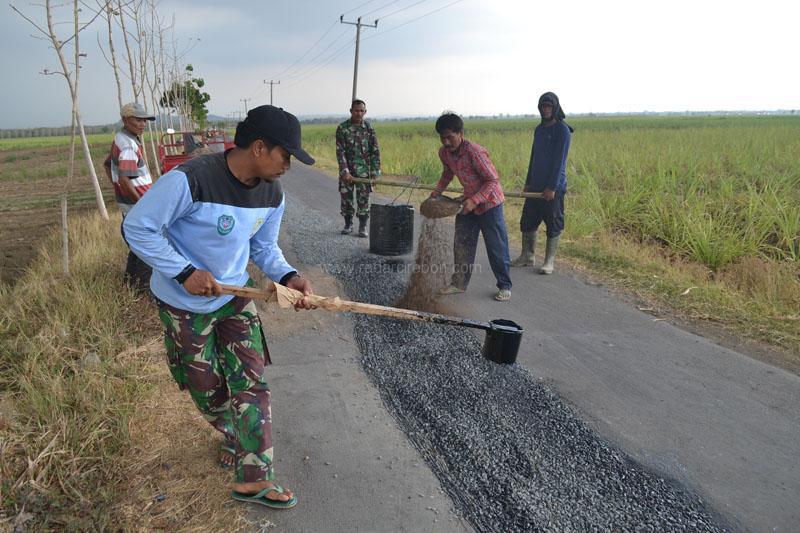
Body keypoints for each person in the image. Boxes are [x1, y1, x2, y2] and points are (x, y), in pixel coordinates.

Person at [123, 105, 316, 510]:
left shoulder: (271, 194)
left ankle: (254, 478)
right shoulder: (191, 180)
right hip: (183, 304)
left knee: (252, 382)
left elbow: (263, 248)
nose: (289, 166)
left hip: (236, 297)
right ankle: (232, 432)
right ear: (260, 148)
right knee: (207, 388)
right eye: (286, 155)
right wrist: (184, 272)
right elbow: (137, 226)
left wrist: (289, 277)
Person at [429, 112, 513, 302]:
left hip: (490, 203)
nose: (446, 142)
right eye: (442, 137)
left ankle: (504, 286)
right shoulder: (444, 153)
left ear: (461, 133)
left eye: (450, 136)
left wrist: (476, 200)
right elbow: (447, 173)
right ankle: (459, 283)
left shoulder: (474, 151)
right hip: (467, 202)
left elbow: (492, 180)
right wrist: (438, 191)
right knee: (462, 244)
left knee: (496, 246)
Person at [511, 92, 573, 274]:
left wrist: (552, 187)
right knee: (528, 221)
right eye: (543, 106)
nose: (545, 109)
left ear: (555, 108)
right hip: (536, 186)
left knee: (553, 224)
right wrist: (528, 182)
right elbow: (534, 157)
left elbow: (559, 161)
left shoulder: (562, 130)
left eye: (549, 106)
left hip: (554, 188)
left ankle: (549, 262)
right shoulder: (539, 130)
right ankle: (527, 256)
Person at [103, 102, 156, 293]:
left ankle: (129, 285)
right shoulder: (128, 145)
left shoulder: (121, 138)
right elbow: (125, 180)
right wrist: (142, 204)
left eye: (145, 120)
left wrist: (117, 187)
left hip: (130, 207)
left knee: (136, 248)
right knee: (147, 252)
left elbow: (107, 165)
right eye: (138, 120)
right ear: (125, 120)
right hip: (137, 208)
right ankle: (143, 292)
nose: (142, 124)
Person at [336, 99, 381, 237]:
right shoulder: (342, 128)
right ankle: (348, 224)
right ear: (351, 111)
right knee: (346, 199)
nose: (359, 113)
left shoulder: (369, 128)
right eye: (356, 110)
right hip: (347, 172)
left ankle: (362, 227)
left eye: (362, 111)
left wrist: (374, 173)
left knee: (364, 200)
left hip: (364, 172)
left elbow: (375, 152)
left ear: (365, 112)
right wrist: (345, 171)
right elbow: (340, 151)